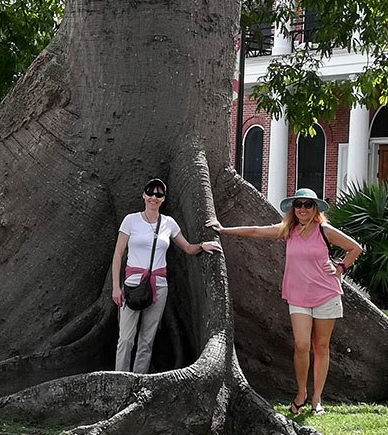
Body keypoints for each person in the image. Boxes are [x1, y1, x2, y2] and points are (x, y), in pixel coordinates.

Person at [208, 187, 363, 415]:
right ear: (293, 209)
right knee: (301, 345)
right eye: (298, 205)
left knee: (320, 347)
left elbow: (355, 248)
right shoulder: (287, 230)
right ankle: (301, 393)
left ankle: (317, 399)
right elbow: (256, 231)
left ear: (315, 209)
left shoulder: (324, 230)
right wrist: (223, 230)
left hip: (326, 294)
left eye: (307, 205)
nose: (302, 209)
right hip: (298, 296)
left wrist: (340, 267)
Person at [112, 178, 222, 373]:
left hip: (159, 286)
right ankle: (119, 378)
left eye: (159, 194)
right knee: (126, 338)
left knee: (147, 339)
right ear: (144, 195)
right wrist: (115, 287)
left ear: (163, 199)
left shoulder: (168, 223)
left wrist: (203, 245)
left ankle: (138, 379)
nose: (154, 197)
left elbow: (187, 247)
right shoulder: (131, 220)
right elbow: (118, 253)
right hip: (132, 285)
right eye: (150, 193)